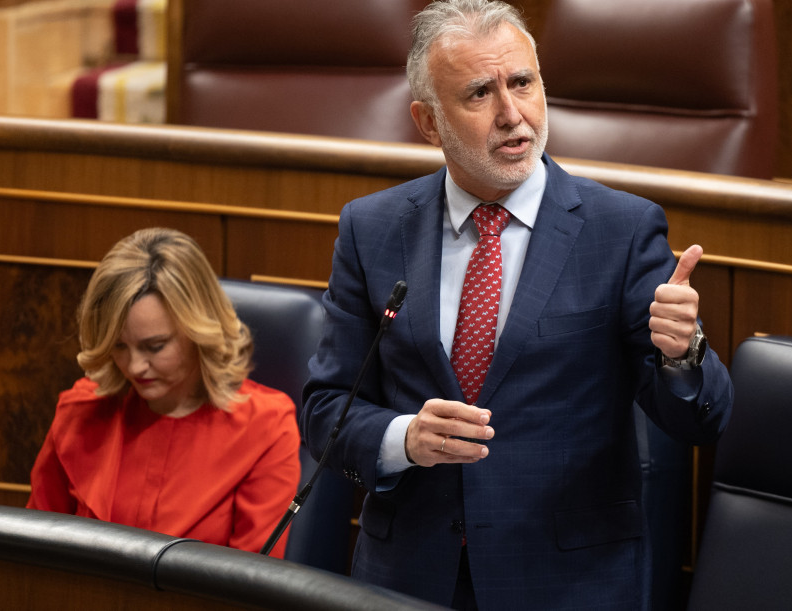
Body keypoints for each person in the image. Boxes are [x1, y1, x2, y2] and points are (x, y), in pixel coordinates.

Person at [300, 0, 734, 608]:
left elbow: (700, 421)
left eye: (523, 83)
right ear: (428, 123)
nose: (512, 114)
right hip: (409, 580)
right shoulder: (372, 230)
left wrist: (684, 354)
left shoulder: (621, 231)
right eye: (479, 93)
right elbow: (325, 410)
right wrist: (404, 438)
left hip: (569, 585)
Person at [27, 227, 301, 557]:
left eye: (154, 346)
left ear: (199, 329)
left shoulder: (265, 425)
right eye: (119, 346)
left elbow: (250, 585)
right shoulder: (81, 410)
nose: (134, 366)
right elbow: (35, 554)